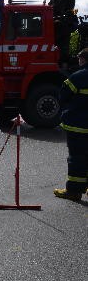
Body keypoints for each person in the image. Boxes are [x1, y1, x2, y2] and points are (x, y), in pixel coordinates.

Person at [54, 47, 88, 201]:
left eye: (80, 58)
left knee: (77, 158)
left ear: (84, 59)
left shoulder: (78, 77)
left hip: (78, 126)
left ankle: (74, 192)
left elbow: (63, 96)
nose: (78, 61)